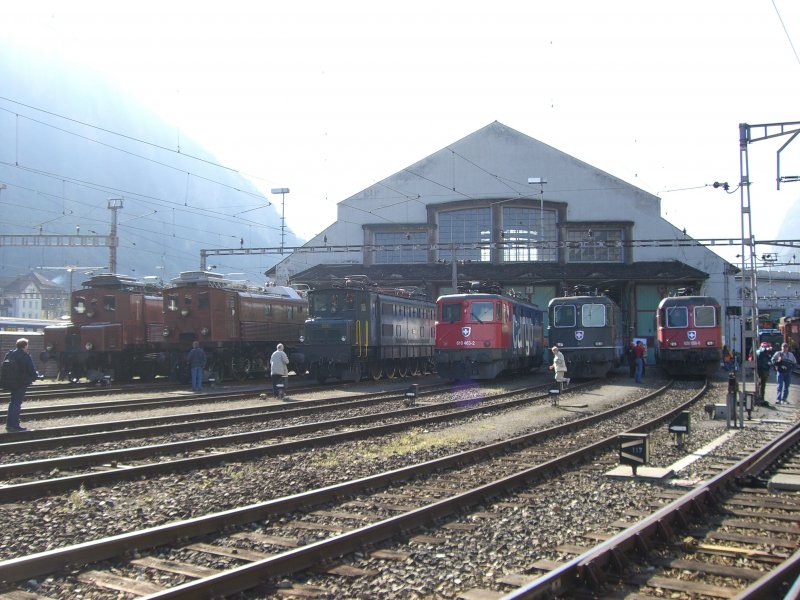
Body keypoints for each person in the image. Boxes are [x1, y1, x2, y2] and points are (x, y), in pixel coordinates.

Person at [4, 338, 39, 432]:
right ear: (25, 346)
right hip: (21, 383)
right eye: (27, 345)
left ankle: (9, 425)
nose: (28, 347)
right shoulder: (25, 356)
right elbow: (31, 369)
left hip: (11, 382)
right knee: (17, 404)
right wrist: (36, 376)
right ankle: (15, 426)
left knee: (12, 403)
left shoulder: (10, 354)